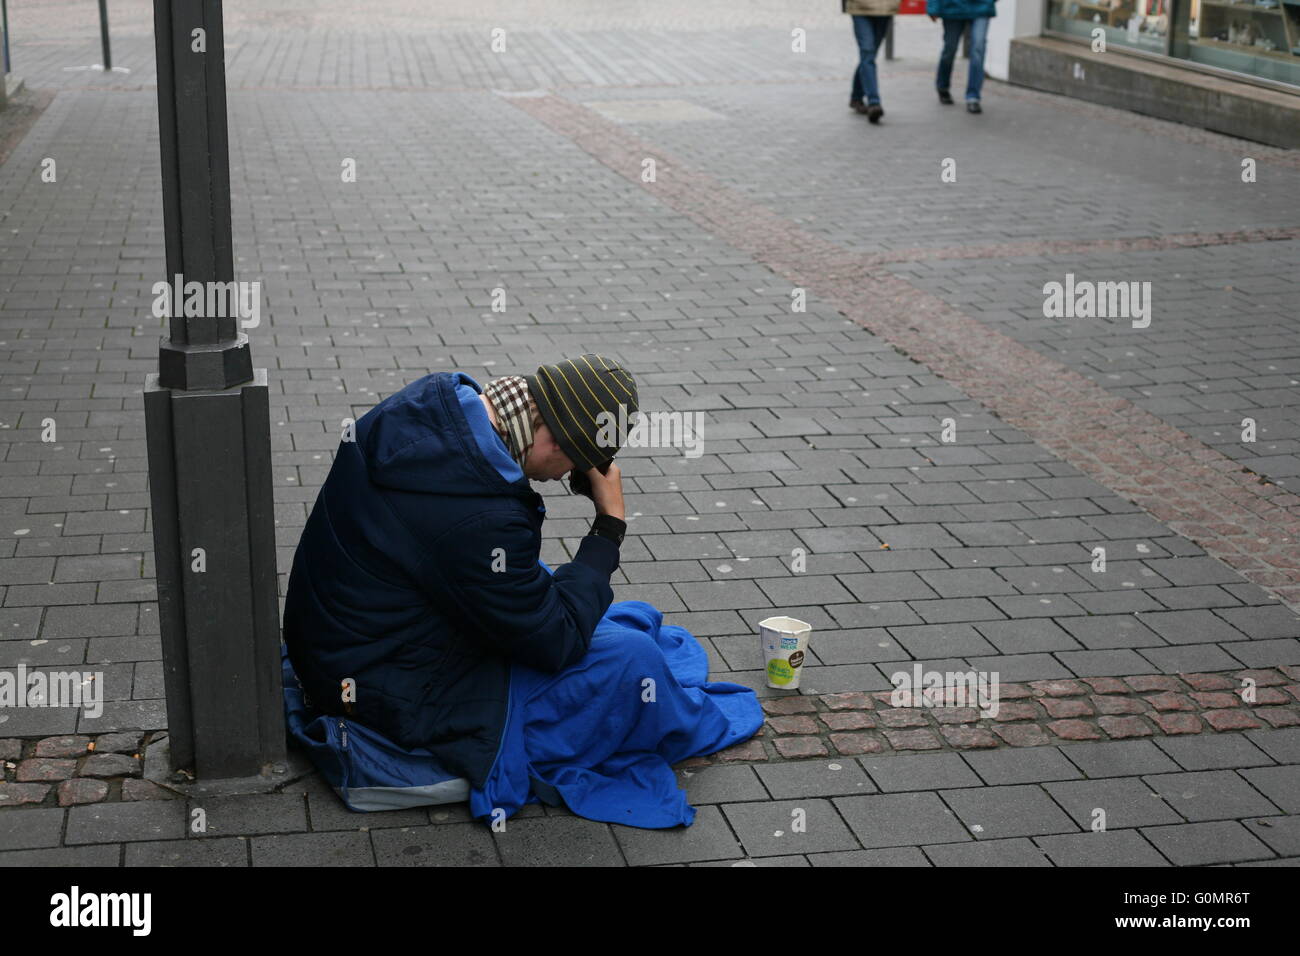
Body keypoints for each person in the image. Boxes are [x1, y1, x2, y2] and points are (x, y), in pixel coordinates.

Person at [282, 353, 761, 828]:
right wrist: (608, 528)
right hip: (380, 685)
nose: (561, 477)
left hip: (337, 641)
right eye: (577, 462)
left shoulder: (434, 402)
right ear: (552, 440)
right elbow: (557, 642)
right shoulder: (484, 518)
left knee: (598, 608)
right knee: (634, 657)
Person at [927, 0, 996, 113]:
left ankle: (973, 96)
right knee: (950, 48)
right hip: (952, 7)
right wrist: (933, 6)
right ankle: (942, 86)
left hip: (981, 6)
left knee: (978, 48)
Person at [844, 0, 901, 124]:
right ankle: (874, 102)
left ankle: (856, 97)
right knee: (867, 51)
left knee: (869, 56)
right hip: (860, 8)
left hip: (885, 9)